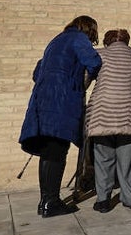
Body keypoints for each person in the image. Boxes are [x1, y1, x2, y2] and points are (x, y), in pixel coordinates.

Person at [19, 16, 101, 217]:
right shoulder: (78, 39)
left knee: (49, 152)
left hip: (42, 102)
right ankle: (51, 202)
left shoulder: (56, 41)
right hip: (61, 102)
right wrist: (80, 83)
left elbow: (37, 72)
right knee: (57, 151)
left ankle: (45, 201)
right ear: (89, 29)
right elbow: (94, 62)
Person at [84, 29, 131, 212]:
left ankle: (103, 200)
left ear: (106, 42)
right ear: (127, 41)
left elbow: (84, 79)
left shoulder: (98, 55)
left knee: (103, 159)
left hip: (101, 113)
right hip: (129, 113)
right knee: (127, 159)